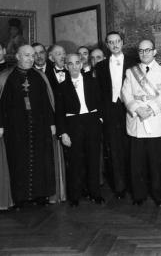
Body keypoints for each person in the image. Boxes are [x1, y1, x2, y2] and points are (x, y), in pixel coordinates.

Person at [0, 45, 56, 208]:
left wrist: (52, 123)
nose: (31, 58)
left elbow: (47, 103)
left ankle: (40, 195)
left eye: (33, 55)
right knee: (18, 161)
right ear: (17, 57)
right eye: (26, 55)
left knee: (41, 161)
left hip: (39, 126)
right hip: (15, 127)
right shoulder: (5, 76)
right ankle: (20, 198)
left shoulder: (40, 76)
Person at [121, 39, 161, 207]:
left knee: (156, 162)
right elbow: (126, 94)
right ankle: (139, 195)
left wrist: (150, 108)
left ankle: (158, 196)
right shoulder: (130, 72)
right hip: (136, 122)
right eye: (141, 51)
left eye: (148, 50)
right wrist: (137, 109)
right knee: (137, 164)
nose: (144, 53)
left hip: (155, 121)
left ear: (154, 52)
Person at [55, 54, 104, 207]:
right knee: (75, 161)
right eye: (70, 64)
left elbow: (101, 101)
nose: (74, 66)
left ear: (81, 65)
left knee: (93, 160)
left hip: (91, 122)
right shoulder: (61, 87)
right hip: (73, 124)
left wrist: (99, 119)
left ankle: (95, 193)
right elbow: (59, 112)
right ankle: (75, 196)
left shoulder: (93, 81)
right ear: (66, 66)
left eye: (77, 63)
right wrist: (63, 133)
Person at [95, 32, 134, 199]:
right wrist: (102, 114)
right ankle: (120, 187)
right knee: (115, 150)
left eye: (117, 41)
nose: (115, 45)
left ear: (122, 43)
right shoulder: (101, 66)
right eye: (111, 42)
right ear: (107, 45)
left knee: (132, 148)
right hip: (110, 111)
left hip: (130, 109)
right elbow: (98, 93)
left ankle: (134, 186)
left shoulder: (134, 63)